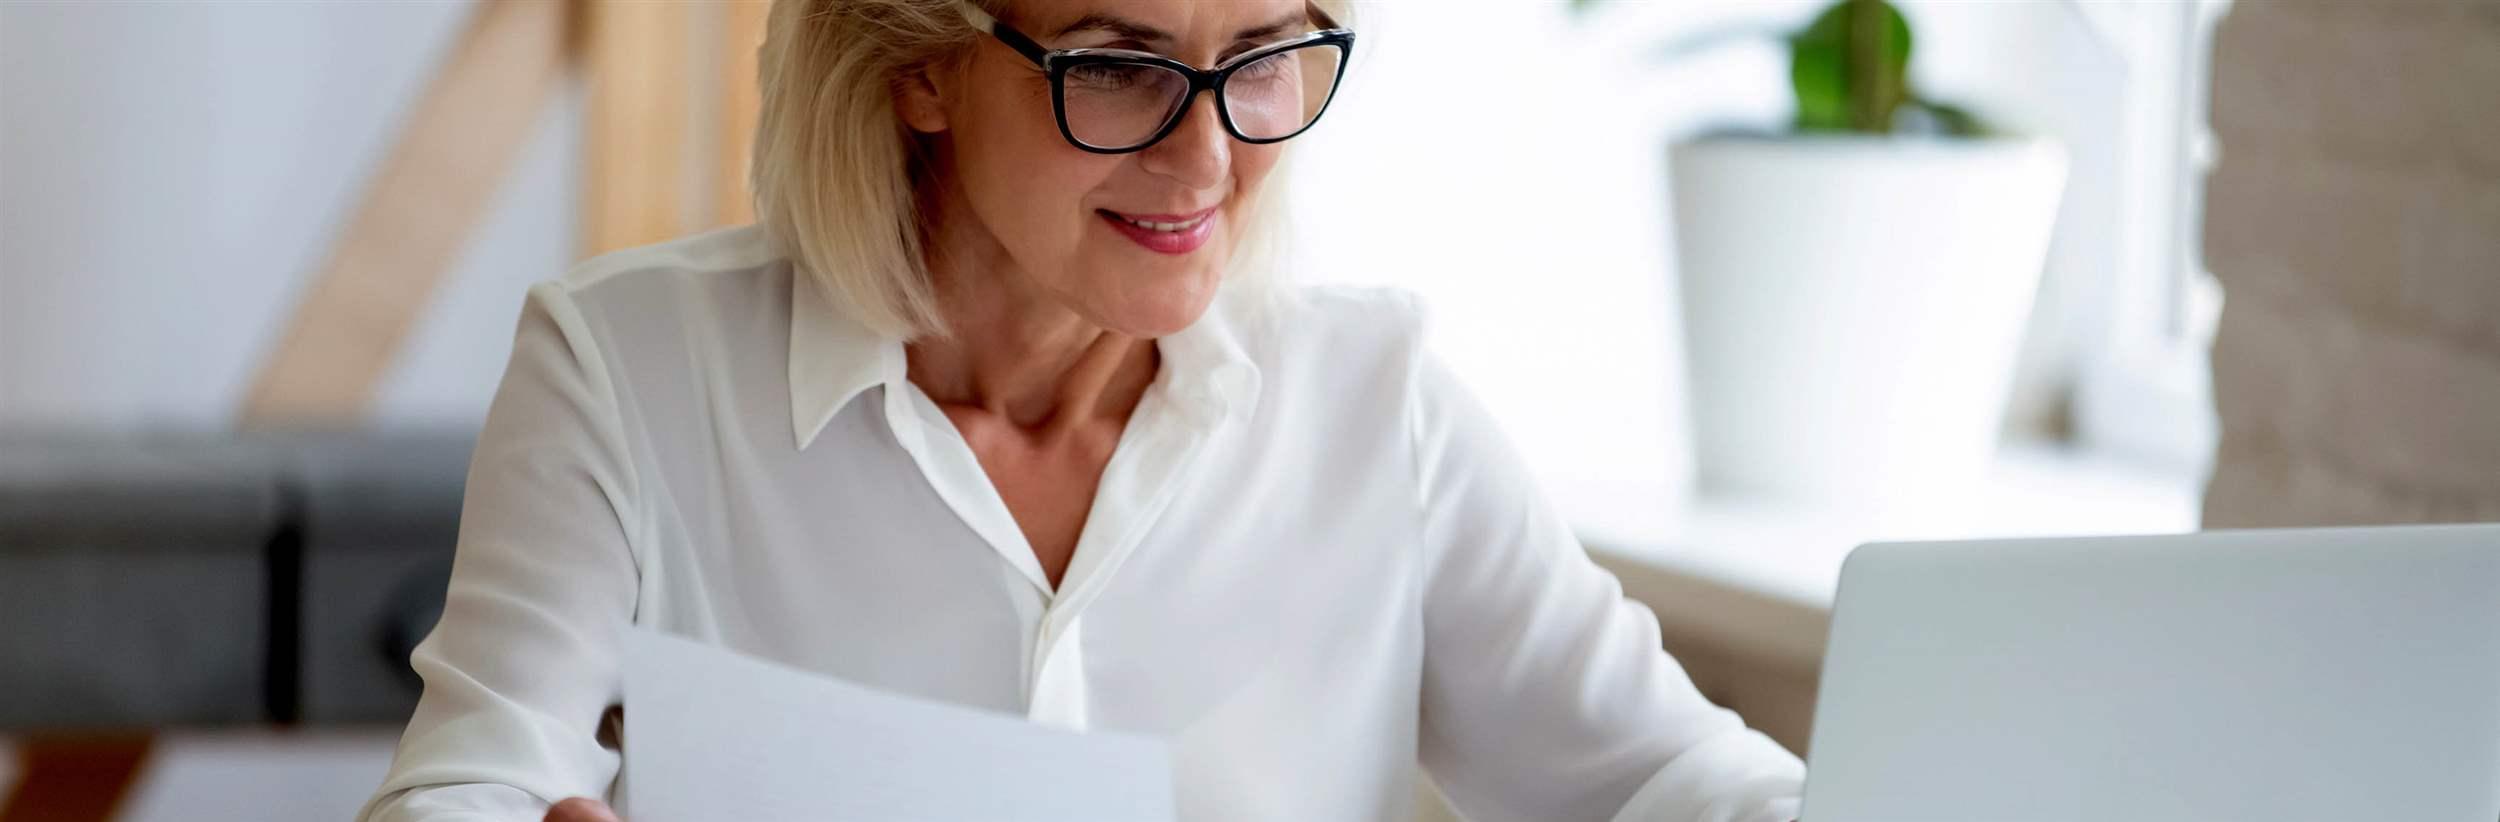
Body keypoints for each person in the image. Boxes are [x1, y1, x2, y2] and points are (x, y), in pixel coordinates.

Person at [357, 1, 1804, 820]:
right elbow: (468, 786)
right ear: (920, 59)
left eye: (1263, 53)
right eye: (1118, 64)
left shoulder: (1374, 404)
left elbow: (1666, 769)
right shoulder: (628, 371)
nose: (1209, 154)